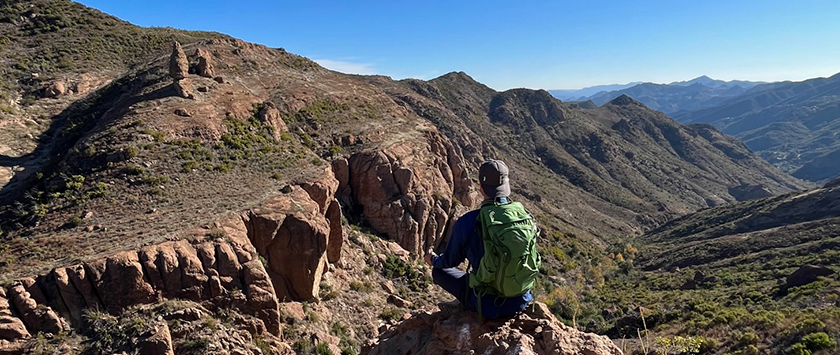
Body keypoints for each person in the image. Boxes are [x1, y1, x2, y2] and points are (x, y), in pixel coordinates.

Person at [424, 159, 537, 320]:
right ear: (506, 187)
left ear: (481, 188)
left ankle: (465, 304)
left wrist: (433, 260)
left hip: (487, 305)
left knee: (439, 272)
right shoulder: (525, 217)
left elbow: (449, 262)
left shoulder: (469, 221)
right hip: (521, 301)